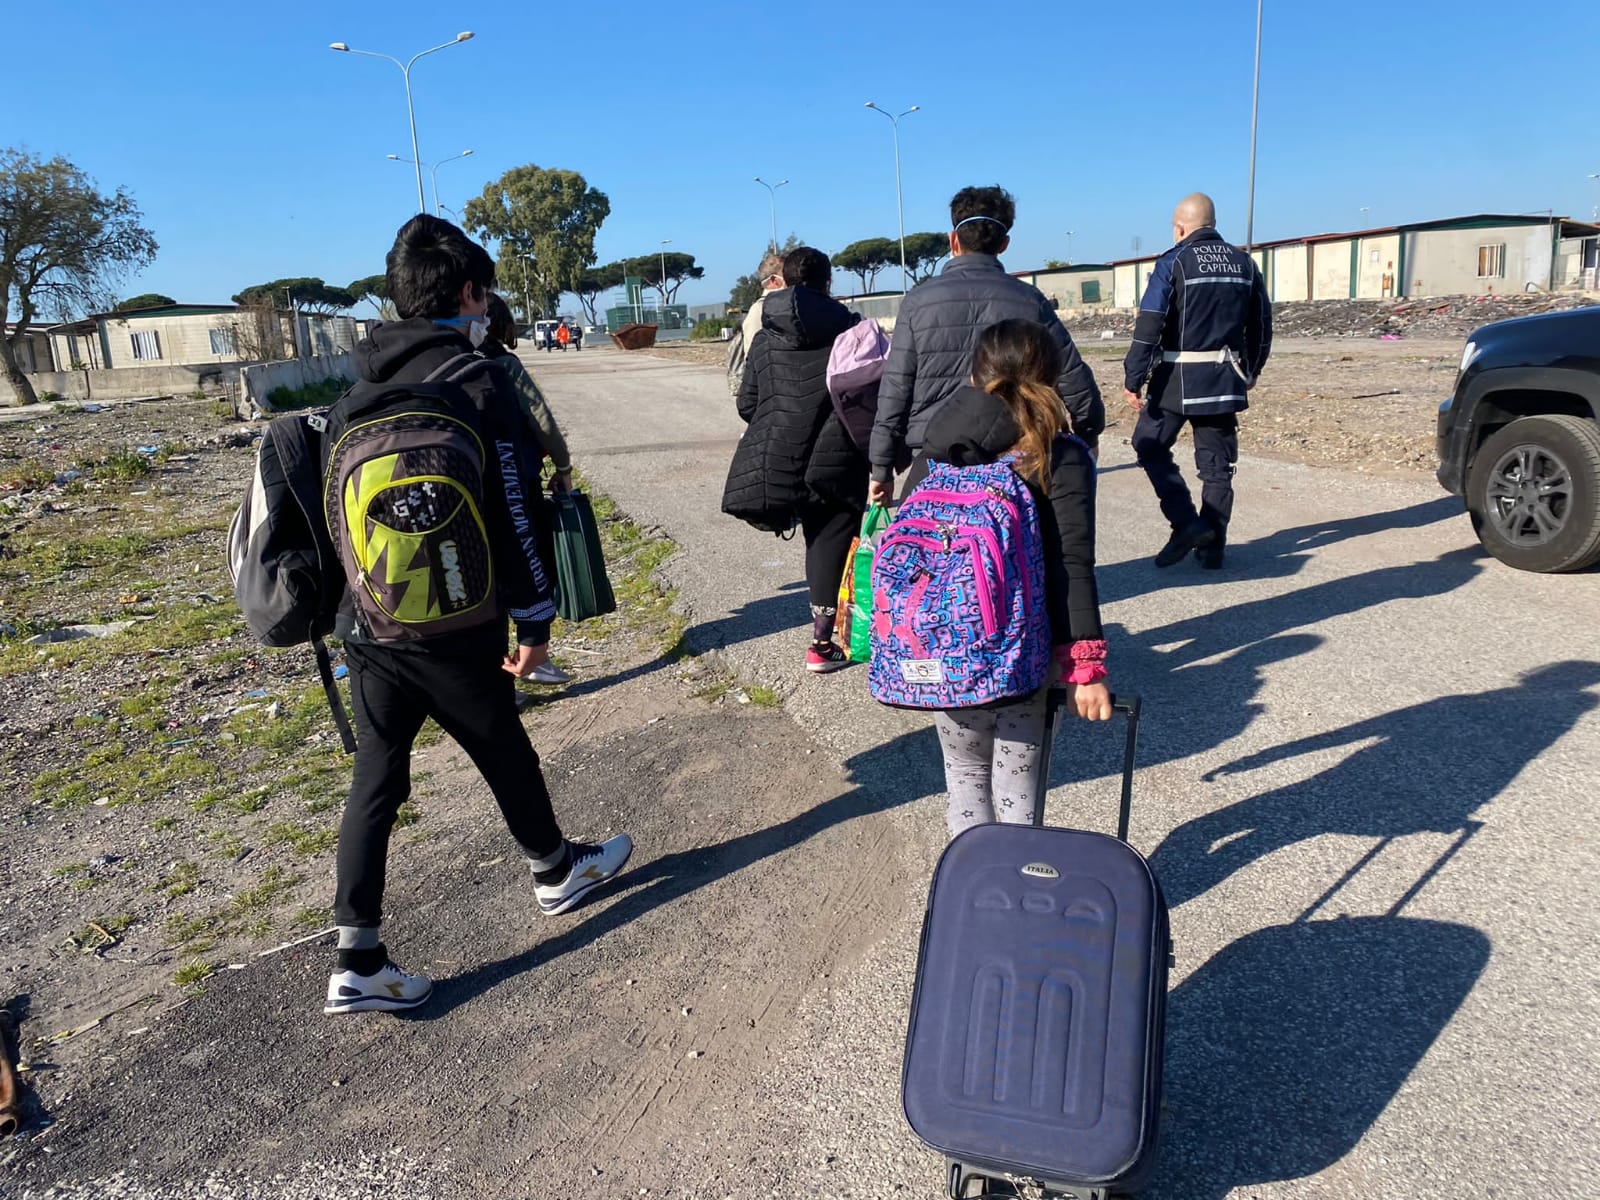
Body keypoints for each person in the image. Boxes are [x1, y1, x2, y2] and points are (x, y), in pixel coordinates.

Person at [324, 215, 632, 1016]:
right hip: (458, 626)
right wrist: (534, 624)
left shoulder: (356, 388)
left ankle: (357, 955)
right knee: (503, 747)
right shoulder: (478, 377)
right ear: (468, 293)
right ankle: (557, 870)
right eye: (483, 292)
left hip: (371, 625)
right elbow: (515, 514)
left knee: (376, 784)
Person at [916, 318, 1112, 837]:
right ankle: (1015, 889)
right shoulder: (1059, 454)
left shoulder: (937, 453)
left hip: (947, 651)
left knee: (962, 777)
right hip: (1024, 655)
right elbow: (1072, 563)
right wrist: (1084, 667)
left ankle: (969, 894)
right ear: (1049, 373)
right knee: (1017, 788)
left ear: (975, 375)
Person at [868, 186, 1104, 507]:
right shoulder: (1031, 301)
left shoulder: (917, 302)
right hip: (1015, 454)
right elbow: (1074, 377)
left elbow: (895, 388)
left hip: (934, 455)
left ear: (954, 240)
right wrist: (1088, 434)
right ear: (1004, 243)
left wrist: (881, 467)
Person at [721, 246, 867, 673]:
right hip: (839, 457)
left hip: (784, 456)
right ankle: (838, 638)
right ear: (828, 282)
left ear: (784, 279)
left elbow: (748, 403)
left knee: (816, 542)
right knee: (837, 536)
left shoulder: (766, 335)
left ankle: (824, 641)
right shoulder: (852, 330)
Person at [1123, 192, 1272, 570]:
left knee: (1149, 444)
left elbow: (1150, 323)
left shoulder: (1172, 261)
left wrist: (1133, 377)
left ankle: (1187, 524)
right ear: (1214, 223)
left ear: (1180, 227)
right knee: (1217, 466)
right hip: (1225, 379)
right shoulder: (1245, 264)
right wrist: (1252, 368)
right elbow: (1261, 324)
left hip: (1176, 380)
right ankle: (1213, 545)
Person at [483, 294, 577, 687]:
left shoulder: (444, 363)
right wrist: (564, 465)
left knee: (485, 585)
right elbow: (541, 419)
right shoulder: (503, 363)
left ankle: (497, 676)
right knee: (529, 567)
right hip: (516, 483)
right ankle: (534, 656)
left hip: (466, 490)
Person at [725, 250, 787, 398]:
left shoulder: (778, 306)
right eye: (787, 276)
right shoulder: (760, 310)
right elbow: (754, 358)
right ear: (773, 280)